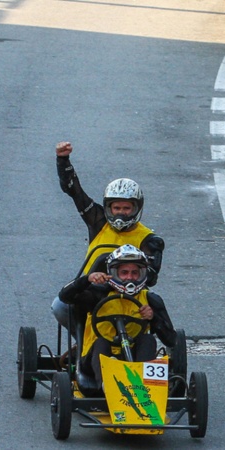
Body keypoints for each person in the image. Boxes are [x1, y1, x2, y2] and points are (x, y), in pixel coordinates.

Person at [52, 141, 165, 331]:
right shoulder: (98, 222)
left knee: (155, 307)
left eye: (127, 208)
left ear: (136, 208)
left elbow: (151, 277)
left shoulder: (150, 240)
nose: (121, 213)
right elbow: (74, 191)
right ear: (108, 208)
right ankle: (83, 344)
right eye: (116, 208)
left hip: (131, 295)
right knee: (60, 307)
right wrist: (63, 160)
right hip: (92, 291)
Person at [58, 244, 176, 390]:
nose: (130, 278)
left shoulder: (150, 299)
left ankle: (146, 388)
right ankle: (108, 386)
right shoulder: (97, 294)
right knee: (102, 343)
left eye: (134, 273)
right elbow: (64, 297)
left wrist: (153, 318)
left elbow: (171, 339)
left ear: (142, 274)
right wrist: (87, 279)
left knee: (148, 340)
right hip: (94, 358)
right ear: (113, 273)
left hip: (134, 359)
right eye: (124, 272)